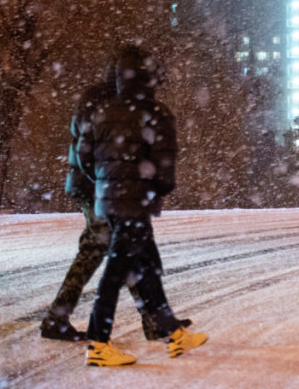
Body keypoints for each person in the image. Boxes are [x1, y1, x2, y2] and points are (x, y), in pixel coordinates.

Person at [40, 62, 191, 343]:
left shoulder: (98, 100)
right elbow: (95, 149)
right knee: (103, 249)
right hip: (99, 186)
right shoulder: (110, 103)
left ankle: (153, 318)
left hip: (97, 185)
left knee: (123, 248)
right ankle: (57, 318)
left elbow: (87, 147)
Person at [76, 44, 207, 368]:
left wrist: (107, 183)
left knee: (145, 268)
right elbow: (165, 169)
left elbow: (84, 157)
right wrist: (152, 188)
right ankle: (99, 343)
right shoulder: (156, 113)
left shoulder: (102, 110)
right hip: (137, 202)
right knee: (117, 271)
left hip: (110, 200)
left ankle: (173, 333)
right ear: (149, 77)